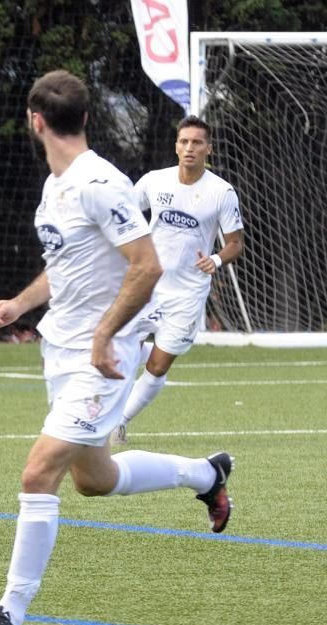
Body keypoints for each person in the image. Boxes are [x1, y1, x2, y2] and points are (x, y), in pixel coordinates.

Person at [0, 71, 234, 625]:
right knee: (95, 479)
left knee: (39, 473)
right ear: (83, 117)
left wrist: (107, 334)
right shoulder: (55, 185)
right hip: (59, 348)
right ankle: (206, 474)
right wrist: (17, 305)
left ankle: (8, 613)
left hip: (100, 357)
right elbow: (65, 269)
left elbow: (147, 264)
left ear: (35, 121)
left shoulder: (100, 182)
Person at [111, 115, 245, 444]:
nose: (189, 148)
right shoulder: (155, 181)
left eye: (197, 142)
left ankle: (121, 422)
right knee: (116, 346)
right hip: (146, 286)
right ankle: (102, 413)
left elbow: (235, 243)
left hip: (187, 294)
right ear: (176, 146)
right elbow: (123, 212)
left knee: (158, 365)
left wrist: (215, 259)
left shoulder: (221, 192)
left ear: (208, 149)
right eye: (184, 141)